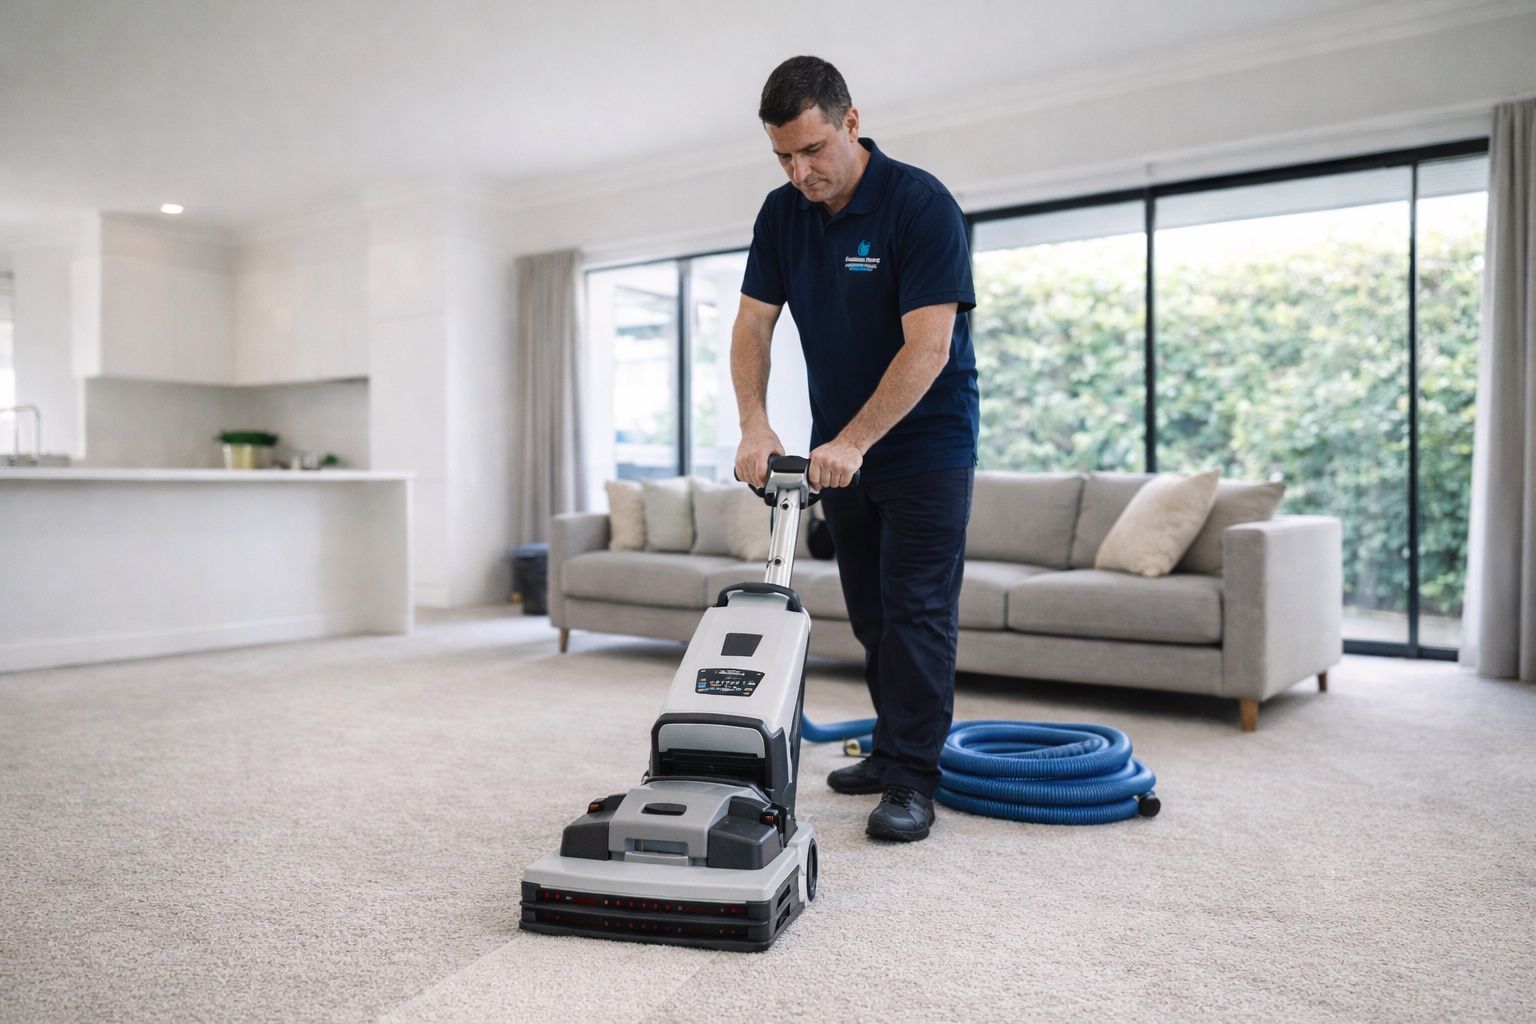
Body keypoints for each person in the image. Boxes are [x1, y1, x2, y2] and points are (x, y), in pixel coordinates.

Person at [731, 56, 978, 842]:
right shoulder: (781, 216)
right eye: (783, 157)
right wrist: (755, 425)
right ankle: (890, 745)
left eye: (812, 150)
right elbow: (753, 325)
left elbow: (929, 347)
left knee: (916, 613)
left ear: (851, 122)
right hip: (839, 449)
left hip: (924, 446)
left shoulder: (919, 205)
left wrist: (855, 440)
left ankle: (911, 777)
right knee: (872, 612)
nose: (800, 171)